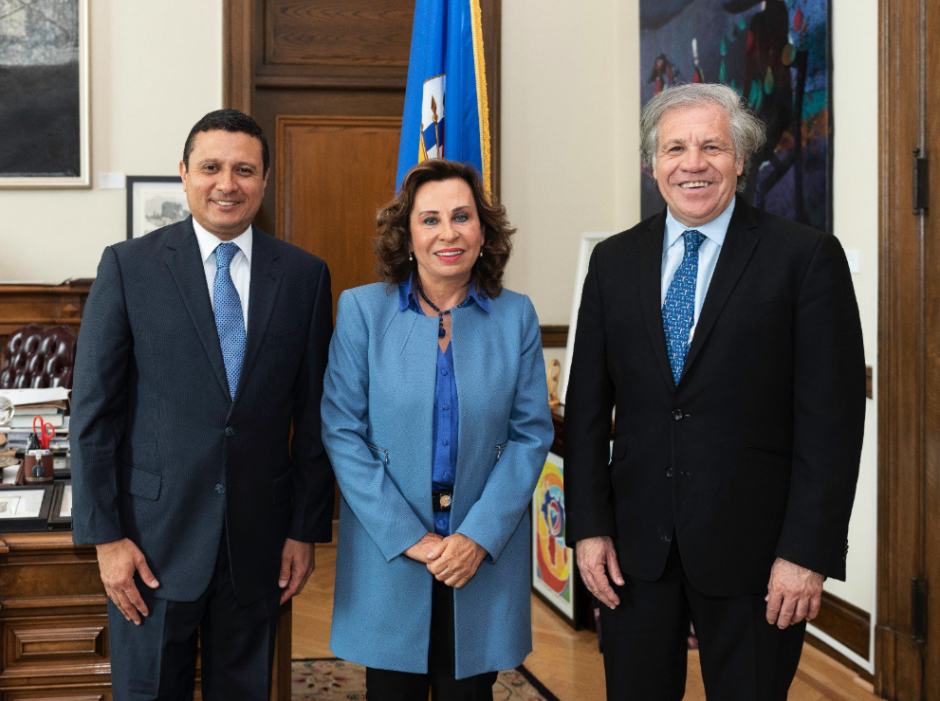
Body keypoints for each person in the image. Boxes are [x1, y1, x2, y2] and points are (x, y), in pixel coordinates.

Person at [564, 83, 866, 701]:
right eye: (675, 148)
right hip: (635, 555)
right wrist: (589, 529)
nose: (692, 163)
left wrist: (805, 553)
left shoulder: (804, 259)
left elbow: (831, 425)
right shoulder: (614, 262)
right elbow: (589, 412)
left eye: (712, 147)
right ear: (653, 165)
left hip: (757, 559)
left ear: (741, 161)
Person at [70, 109, 334, 700]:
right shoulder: (128, 266)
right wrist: (105, 538)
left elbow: (314, 417)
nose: (227, 183)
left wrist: (304, 530)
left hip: (259, 544)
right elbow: (93, 414)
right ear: (184, 173)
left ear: (264, 181)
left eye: (245, 170)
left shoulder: (304, 276)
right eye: (211, 167)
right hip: (150, 545)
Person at [321, 159, 554, 701]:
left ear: (483, 231)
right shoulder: (361, 311)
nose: (447, 232)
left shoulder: (515, 315)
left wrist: (475, 538)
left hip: (480, 558)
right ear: (407, 237)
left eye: (461, 216)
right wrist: (414, 539)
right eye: (430, 219)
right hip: (392, 553)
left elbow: (529, 436)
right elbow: (341, 432)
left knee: (469, 693)